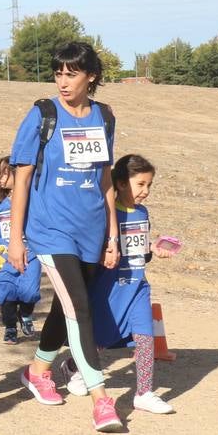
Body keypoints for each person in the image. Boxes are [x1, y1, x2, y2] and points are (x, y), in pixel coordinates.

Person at [6, 40, 123, 433]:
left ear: (91, 76)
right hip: (50, 230)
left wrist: (112, 234)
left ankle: (38, 369)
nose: (62, 80)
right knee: (80, 310)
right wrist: (16, 239)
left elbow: (105, 179)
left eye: (71, 73)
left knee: (68, 306)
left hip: (90, 230)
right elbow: (21, 179)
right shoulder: (42, 114)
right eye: (58, 72)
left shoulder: (104, 117)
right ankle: (101, 399)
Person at [63, 154, 178, 414]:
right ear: (122, 183)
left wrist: (153, 249)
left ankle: (144, 393)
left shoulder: (143, 212)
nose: (146, 191)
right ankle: (73, 367)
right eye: (141, 184)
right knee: (101, 339)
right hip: (108, 289)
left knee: (145, 338)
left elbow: (140, 249)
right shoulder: (107, 212)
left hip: (137, 287)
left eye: (149, 185)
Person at [0, 156, 42, 343]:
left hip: (30, 256)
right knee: (6, 292)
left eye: (5, 173)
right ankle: (10, 327)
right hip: (5, 258)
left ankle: (26, 315)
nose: (0, 178)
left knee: (30, 291)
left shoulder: (31, 200)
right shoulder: (0, 204)